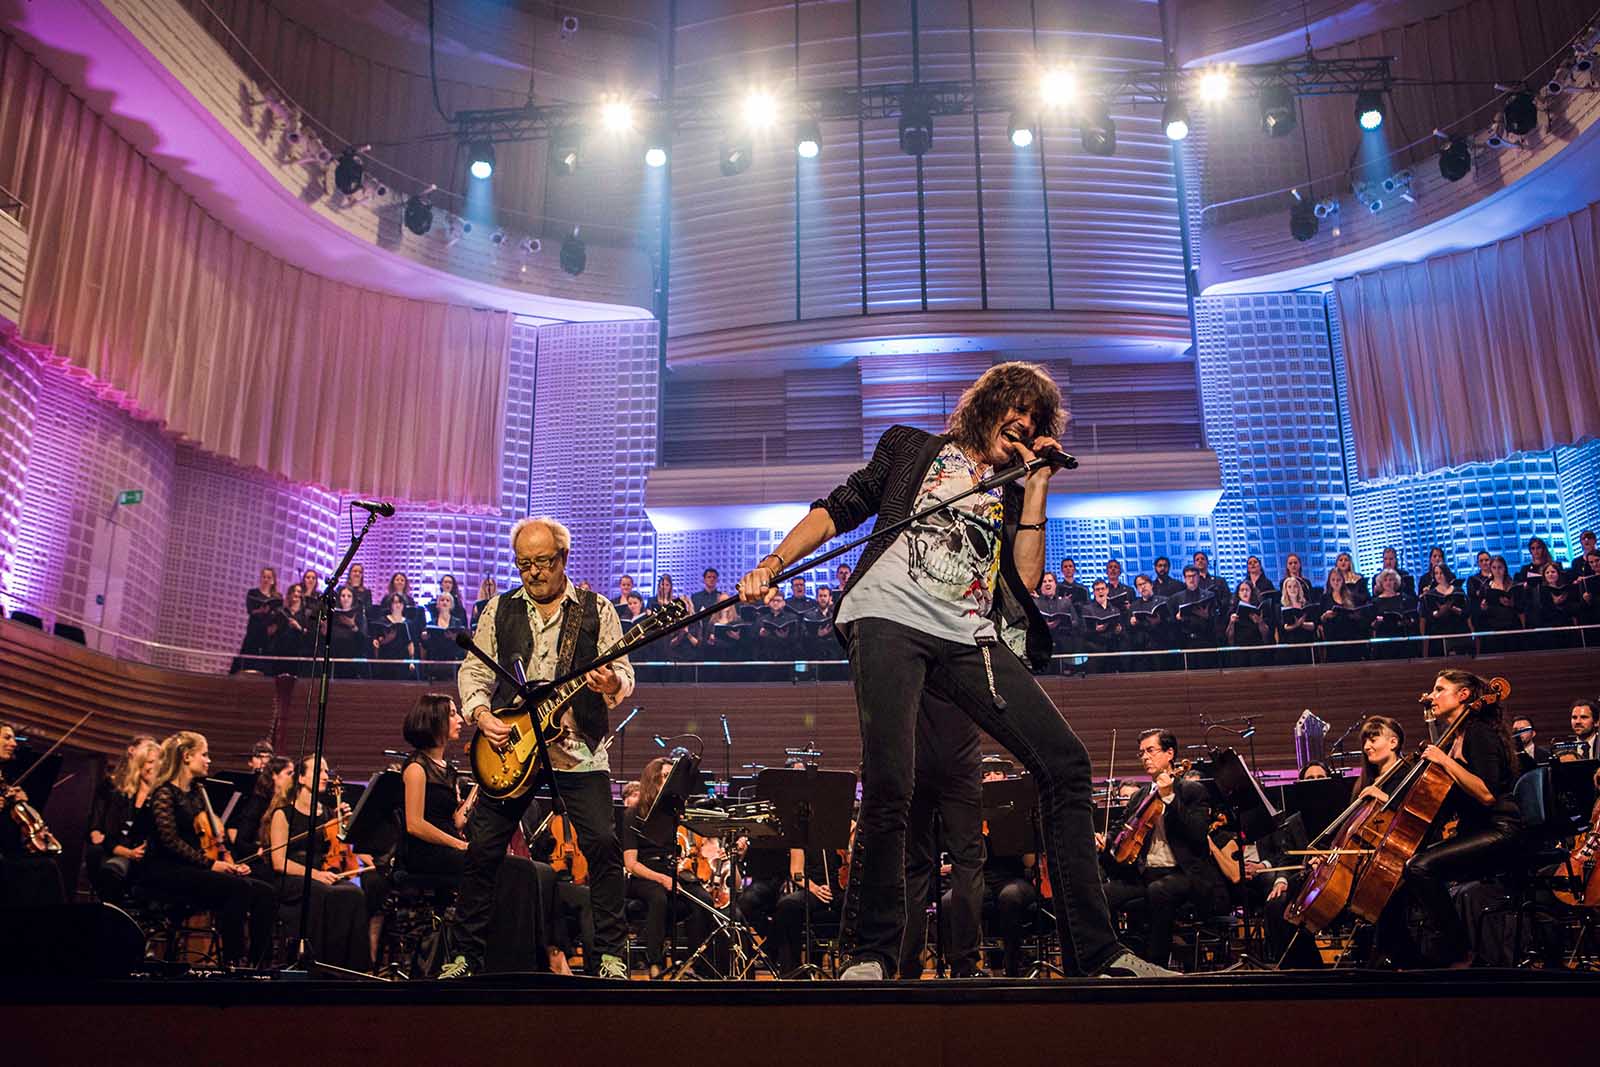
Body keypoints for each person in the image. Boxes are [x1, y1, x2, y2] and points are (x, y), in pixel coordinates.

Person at [737, 361, 1161, 979]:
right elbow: (837, 510)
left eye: (1035, 419)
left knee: (1066, 763)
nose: (1024, 424)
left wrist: (1037, 485)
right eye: (1015, 410)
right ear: (986, 407)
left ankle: (1096, 955)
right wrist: (773, 563)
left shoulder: (1012, 486)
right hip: (888, 614)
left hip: (968, 633)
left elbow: (1027, 578)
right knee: (891, 779)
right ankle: (872, 953)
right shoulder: (912, 447)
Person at [443, 517, 633, 980]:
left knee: (603, 844)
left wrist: (611, 683)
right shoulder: (499, 609)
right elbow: (474, 672)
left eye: (543, 562)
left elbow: (624, 675)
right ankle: (465, 956)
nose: (533, 572)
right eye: (524, 563)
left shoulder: (597, 610)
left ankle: (611, 957)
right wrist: (481, 715)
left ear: (563, 558)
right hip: (513, 748)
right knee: (483, 848)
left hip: (578, 750)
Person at [397, 694, 559, 973]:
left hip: (451, 848)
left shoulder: (447, 769)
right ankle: (496, 959)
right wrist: (459, 846)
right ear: (433, 720)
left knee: (526, 869)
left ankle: (522, 959)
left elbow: (457, 821)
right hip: (426, 854)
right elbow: (415, 824)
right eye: (452, 714)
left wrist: (481, 788)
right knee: (510, 868)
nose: (460, 719)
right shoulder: (416, 768)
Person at [1374, 670, 1521, 968]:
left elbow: (1487, 794)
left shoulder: (1479, 732)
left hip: (1501, 829)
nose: (1432, 696)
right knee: (1401, 872)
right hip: (1475, 830)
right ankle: (1404, 954)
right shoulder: (1456, 736)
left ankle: (1459, 950)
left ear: (1464, 695)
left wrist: (1443, 760)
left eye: (1440, 689)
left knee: (1419, 867)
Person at [139, 732, 275, 968]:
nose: (209, 760)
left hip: (195, 867)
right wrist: (211, 864)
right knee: (238, 888)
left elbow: (211, 840)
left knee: (265, 892)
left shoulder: (196, 794)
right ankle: (234, 961)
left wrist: (230, 863)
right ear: (186, 757)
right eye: (204, 754)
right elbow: (170, 842)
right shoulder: (164, 793)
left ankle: (259, 963)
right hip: (166, 871)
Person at [1099, 729, 1223, 967]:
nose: (1145, 757)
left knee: (1159, 891)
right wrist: (1106, 842)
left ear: (1170, 754)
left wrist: (1169, 799)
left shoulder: (1192, 791)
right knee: (1101, 894)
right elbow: (1121, 828)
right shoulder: (1140, 796)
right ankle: (1117, 955)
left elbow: (1197, 835)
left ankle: (1157, 965)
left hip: (1183, 874)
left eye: (1151, 751)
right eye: (1141, 753)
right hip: (1145, 874)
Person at [897, 692, 985, 980]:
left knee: (914, 867)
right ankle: (965, 965)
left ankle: (907, 964)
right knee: (967, 863)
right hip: (961, 756)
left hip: (916, 758)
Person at [262, 756, 372, 972]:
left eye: (326, 772)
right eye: (318, 771)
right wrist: (315, 875)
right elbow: (278, 862)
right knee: (325, 894)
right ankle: (319, 966)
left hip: (321, 875)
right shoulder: (283, 814)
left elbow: (338, 850)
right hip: (291, 879)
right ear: (301, 778)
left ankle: (351, 970)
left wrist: (344, 825)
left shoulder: (329, 814)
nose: (325, 776)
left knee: (355, 894)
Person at [624, 757, 718, 978]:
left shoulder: (674, 813)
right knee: (659, 898)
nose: (669, 781)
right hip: (645, 875)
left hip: (672, 871)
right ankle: (654, 962)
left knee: (703, 900)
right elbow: (631, 863)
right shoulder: (632, 814)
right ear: (652, 780)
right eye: (665, 776)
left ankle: (694, 963)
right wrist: (661, 878)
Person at [85, 738, 162, 902]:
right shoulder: (121, 793)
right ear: (139, 765)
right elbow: (110, 834)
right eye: (149, 762)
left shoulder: (162, 797)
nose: (153, 767)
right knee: (109, 869)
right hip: (120, 851)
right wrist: (129, 853)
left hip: (149, 856)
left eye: (157, 763)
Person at [0, 722, 67, 908]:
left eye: (14, 739)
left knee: (48, 865)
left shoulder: (5, 777)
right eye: (7, 738)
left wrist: (21, 801)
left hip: (7, 850)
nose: (14, 743)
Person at [230, 757, 292, 871]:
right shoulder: (258, 803)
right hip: (256, 863)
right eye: (289, 773)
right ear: (274, 775)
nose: (293, 777)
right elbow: (241, 841)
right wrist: (258, 849)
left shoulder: (290, 802)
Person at [235, 568, 282, 672]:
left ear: (273, 580)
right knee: (249, 654)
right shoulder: (253, 593)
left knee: (264, 657)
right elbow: (250, 610)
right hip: (254, 628)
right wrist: (261, 610)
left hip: (267, 631)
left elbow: (279, 615)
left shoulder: (277, 597)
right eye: (264, 577)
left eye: (269, 577)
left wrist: (274, 626)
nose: (266, 579)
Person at [1473, 555, 1523, 653]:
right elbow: (1480, 611)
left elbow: (1521, 608)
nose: (1497, 570)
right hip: (1493, 627)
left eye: (1500, 567)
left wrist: (1511, 604)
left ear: (1505, 568)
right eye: (1494, 567)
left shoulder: (1513, 585)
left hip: (1511, 625)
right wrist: (1483, 607)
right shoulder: (1486, 587)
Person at [1419, 563, 1470, 657]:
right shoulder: (1430, 595)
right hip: (1439, 633)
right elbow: (1427, 615)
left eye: (1441, 573)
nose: (1439, 576)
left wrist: (1456, 610)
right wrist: (1438, 613)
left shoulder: (1459, 591)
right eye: (1436, 573)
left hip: (1457, 631)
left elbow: (1466, 611)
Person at [1366, 569, 1418, 660]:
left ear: (1395, 582)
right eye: (1385, 580)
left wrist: (1407, 621)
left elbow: (1413, 617)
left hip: (1402, 637)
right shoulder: (1375, 602)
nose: (1388, 582)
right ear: (1381, 583)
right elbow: (1371, 624)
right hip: (1383, 638)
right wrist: (1377, 622)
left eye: (1391, 580)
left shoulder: (1404, 598)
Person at [1319, 568, 1368, 661]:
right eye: (1333, 580)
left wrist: (1354, 615)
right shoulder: (1325, 598)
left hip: (1350, 636)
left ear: (1343, 581)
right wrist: (1325, 616)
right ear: (1329, 581)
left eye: (1338, 580)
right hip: (1333, 637)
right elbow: (1320, 620)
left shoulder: (1351, 596)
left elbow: (1359, 615)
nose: (1336, 582)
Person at [1078, 579, 1127, 671]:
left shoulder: (1115, 609)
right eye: (1097, 589)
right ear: (1094, 592)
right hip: (1095, 650)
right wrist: (1095, 630)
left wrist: (1119, 630)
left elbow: (1122, 631)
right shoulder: (1086, 609)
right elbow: (1082, 632)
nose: (1100, 591)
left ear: (1107, 590)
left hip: (1112, 649)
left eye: (1102, 589)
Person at [1278, 554, 1319, 653]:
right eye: (1290, 563)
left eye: (1295, 563)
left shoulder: (1306, 583)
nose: (1293, 565)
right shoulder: (1283, 583)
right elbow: (1283, 627)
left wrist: (1303, 623)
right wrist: (1297, 624)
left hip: (1306, 636)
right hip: (1290, 639)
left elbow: (1313, 623)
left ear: (1300, 564)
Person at [371, 593, 417, 680]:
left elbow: (410, 643)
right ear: (390, 605)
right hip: (385, 660)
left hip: (403, 662)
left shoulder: (408, 623)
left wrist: (412, 661)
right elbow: (377, 640)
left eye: (400, 602)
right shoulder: (382, 621)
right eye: (395, 602)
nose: (398, 605)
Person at [1225, 579, 1269, 665]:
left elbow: (1266, 635)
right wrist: (1231, 622)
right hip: (1240, 647)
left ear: (1251, 592)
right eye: (1242, 590)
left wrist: (1260, 622)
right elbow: (1229, 638)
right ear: (1238, 593)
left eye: (1247, 590)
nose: (1244, 592)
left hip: (1256, 647)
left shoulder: (1259, 608)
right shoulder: (1233, 610)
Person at [329, 585, 369, 678]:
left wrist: (352, 625)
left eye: (349, 596)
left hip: (353, 657)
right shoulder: (333, 614)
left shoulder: (359, 615)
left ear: (353, 598)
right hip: (335, 656)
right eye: (343, 596)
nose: (345, 598)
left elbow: (363, 640)